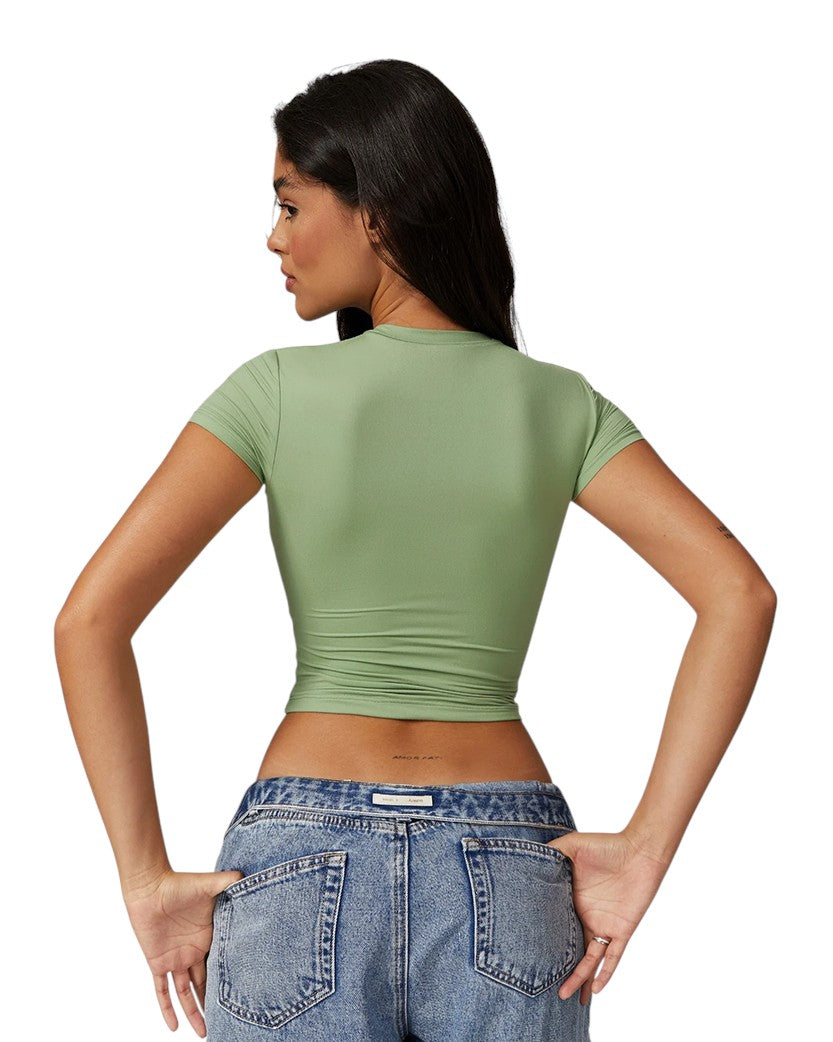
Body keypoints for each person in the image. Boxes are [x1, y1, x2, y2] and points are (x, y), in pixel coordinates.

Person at [54, 59, 776, 1042]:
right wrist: (644, 848)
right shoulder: (558, 405)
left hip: (300, 861)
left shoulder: (271, 392)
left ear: (377, 214)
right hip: (506, 864)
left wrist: (145, 879)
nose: (274, 237)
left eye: (290, 204)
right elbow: (737, 594)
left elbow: (90, 620)